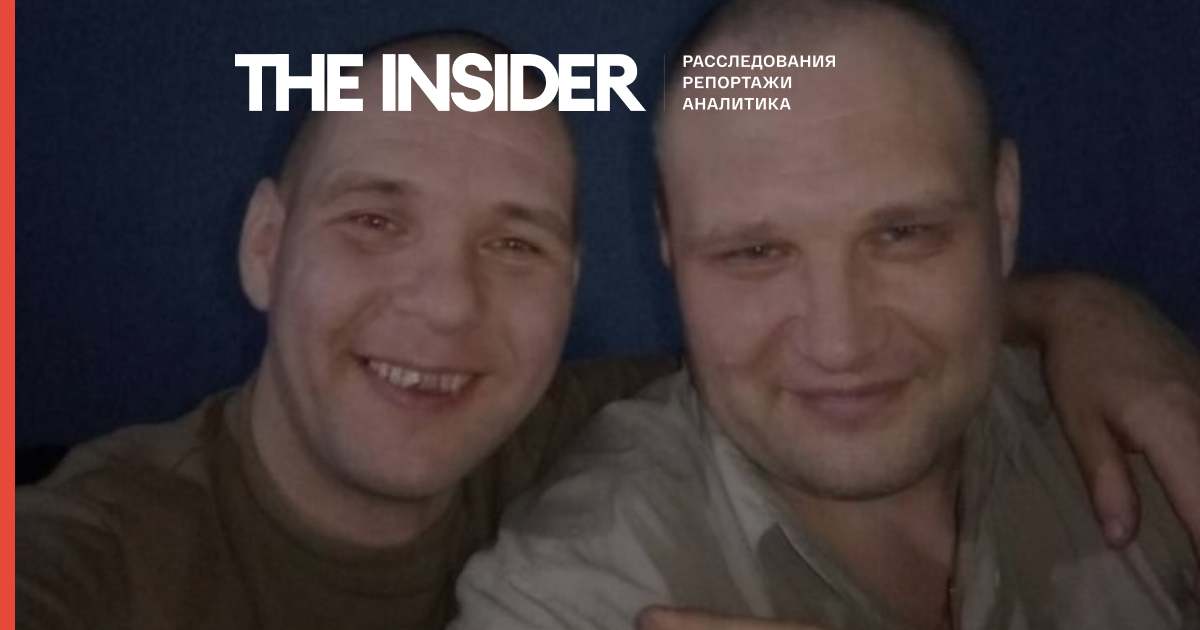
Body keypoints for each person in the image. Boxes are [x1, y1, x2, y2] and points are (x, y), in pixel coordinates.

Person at [15, 27, 1200, 630]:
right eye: (375, 220)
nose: (448, 304)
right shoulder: (94, 547)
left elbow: (818, 359)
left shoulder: (574, 416)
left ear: (575, 281)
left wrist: (1076, 310)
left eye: (516, 244)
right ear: (264, 247)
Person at [452, 3, 1199, 629]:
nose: (840, 343)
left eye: (902, 235)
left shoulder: (1155, 439)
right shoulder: (572, 594)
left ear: (1003, 211)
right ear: (669, 245)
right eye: (755, 253)